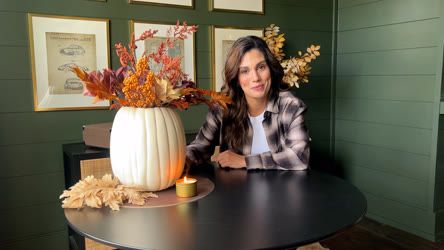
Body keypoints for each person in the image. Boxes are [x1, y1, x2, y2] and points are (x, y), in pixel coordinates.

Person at [186, 35, 310, 170]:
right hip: (237, 189)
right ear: (236, 78)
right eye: (245, 71)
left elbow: (300, 157)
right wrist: (179, 162)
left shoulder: (289, 106)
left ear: (271, 68)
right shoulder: (222, 106)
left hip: (283, 189)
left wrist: (245, 161)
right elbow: (199, 147)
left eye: (261, 67)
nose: (255, 78)